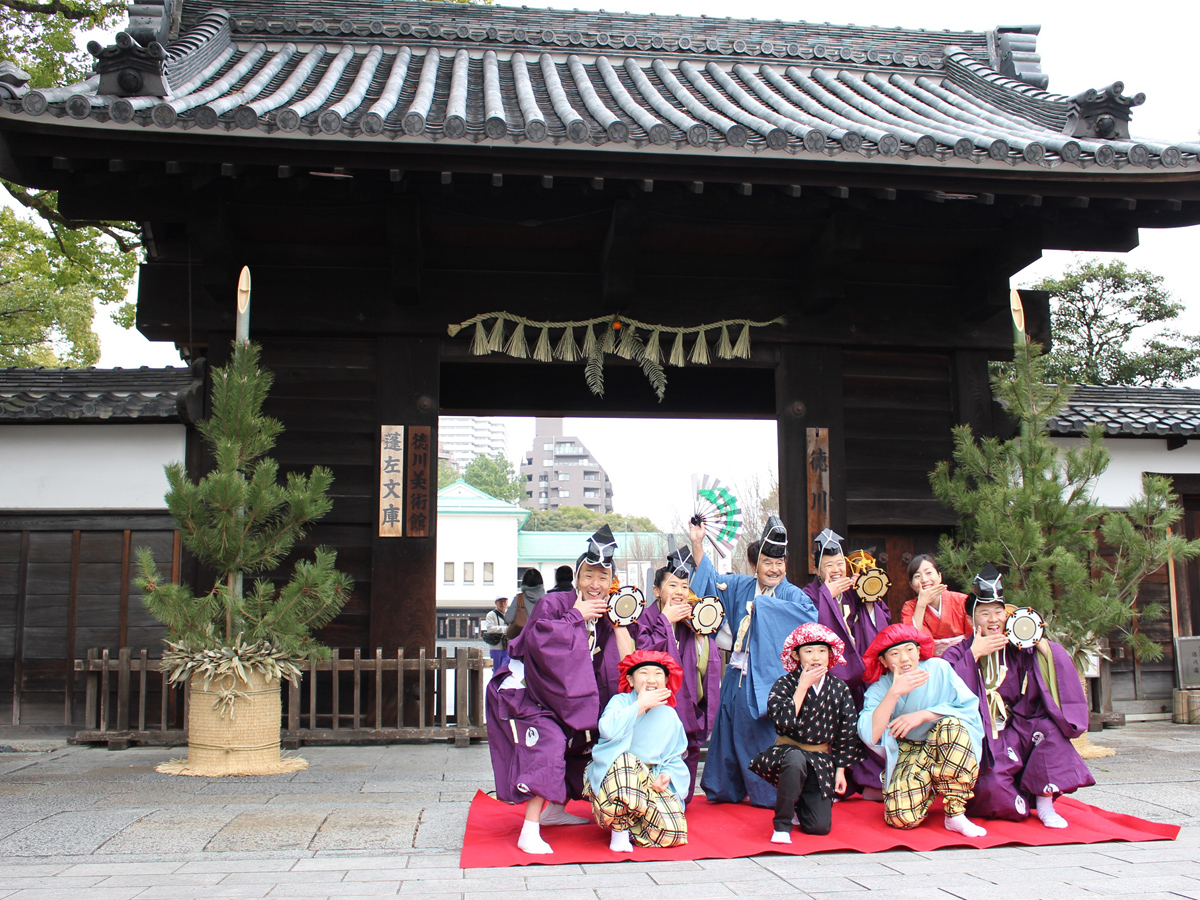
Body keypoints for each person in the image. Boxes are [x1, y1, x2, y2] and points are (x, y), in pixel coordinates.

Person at [486, 526, 618, 854]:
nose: (595, 585)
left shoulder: (605, 613)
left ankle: (554, 810)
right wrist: (575, 616)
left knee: (583, 741)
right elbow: (538, 642)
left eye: (603, 577)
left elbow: (608, 663)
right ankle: (528, 830)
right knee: (550, 743)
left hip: (563, 697)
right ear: (577, 577)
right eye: (589, 575)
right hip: (527, 692)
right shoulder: (554, 603)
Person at [943, 565, 1095, 828]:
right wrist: (973, 655)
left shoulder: (1018, 647)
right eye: (984, 613)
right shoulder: (958, 653)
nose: (993, 619)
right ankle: (1019, 798)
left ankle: (1045, 803)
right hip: (982, 735)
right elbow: (945, 690)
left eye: (998, 611)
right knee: (995, 793)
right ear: (970, 620)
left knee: (1051, 730)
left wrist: (1042, 646)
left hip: (1018, 727)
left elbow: (1049, 679)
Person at [691, 516, 818, 807]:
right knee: (727, 730)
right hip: (737, 673)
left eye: (779, 564)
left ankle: (768, 793)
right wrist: (698, 545)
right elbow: (709, 581)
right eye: (767, 563)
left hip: (770, 680)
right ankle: (725, 788)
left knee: (761, 736)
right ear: (755, 564)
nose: (774, 569)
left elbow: (809, 619)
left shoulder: (792, 595)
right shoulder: (739, 586)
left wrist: (764, 607)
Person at [859, 623, 987, 837]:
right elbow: (870, 735)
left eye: (910, 650)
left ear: (919, 651)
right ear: (883, 660)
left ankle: (955, 813)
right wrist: (894, 693)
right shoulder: (880, 688)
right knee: (901, 817)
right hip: (911, 750)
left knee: (952, 725)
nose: (904, 658)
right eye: (894, 653)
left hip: (946, 743)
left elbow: (967, 708)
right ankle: (927, 783)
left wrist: (924, 715)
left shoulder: (939, 668)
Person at [750, 623, 861, 843]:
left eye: (822, 651)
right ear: (797, 655)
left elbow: (846, 732)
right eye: (809, 651)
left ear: (830, 655)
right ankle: (782, 825)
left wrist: (840, 770)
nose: (816, 656)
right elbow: (783, 722)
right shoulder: (784, 684)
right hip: (787, 753)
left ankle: (800, 803)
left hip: (820, 758)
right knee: (795, 758)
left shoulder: (839, 688)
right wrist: (802, 687)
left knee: (819, 827)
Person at [802, 528, 889, 798]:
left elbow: (877, 622)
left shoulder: (854, 593)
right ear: (818, 570)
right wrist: (827, 596)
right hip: (827, 676)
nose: (836, 570)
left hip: (859, 675)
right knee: (828, 729)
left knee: (863, 725)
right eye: (828, 565)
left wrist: (869, 596)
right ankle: (828, 783)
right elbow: (810, 628)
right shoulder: (809, 593)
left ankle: (869, 781)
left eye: (840, 564)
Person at [584, 650, 690, 851]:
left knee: (673, 834)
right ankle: (619, 830)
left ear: (666, 680)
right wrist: (639, 706)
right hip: (618, 776)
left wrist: (667, 775)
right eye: (644, 673)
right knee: (625, 760)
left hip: (650, 780)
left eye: (658, 674)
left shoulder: (669, 714)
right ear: (631, 680)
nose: (651, 679)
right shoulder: (620, 702)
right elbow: (607, 730)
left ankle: (635, 827)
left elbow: (675, 756)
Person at [650, 539, 719, 803]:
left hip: (686, 704)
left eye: (684, 586)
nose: (680, 591)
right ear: (657, 591)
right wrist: (664, 622)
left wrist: (700, 635)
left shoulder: (691, 622)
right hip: (656, 706)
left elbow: (705, 663)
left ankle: (679, 798)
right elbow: (642, 656)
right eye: (673, 585)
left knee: (687, 753)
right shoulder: (646, 619)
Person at [901, 554, 972, 655]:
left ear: (939, 577)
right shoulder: (910, 607)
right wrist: (921, 604)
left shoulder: (961, 600)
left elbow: (973, 635)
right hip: (930, 662)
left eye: (929, 573)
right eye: (917, 576)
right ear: (911, 585)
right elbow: (912, 640)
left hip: (963, 657)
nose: (924, 580)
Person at [504, 568, 546, 640]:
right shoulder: (547, 599)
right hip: (542, 639)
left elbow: (508, 618)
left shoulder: (519, 598)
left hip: (523, 640)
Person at [483, 596, 510, 670]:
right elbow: (490, 629)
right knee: (497, 670)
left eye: (505, 602)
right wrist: (506, 629)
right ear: (496, 603)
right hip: (496, 647)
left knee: (506, 670)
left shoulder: (510, 614)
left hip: (508, 647)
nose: (503, 604)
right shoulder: (491, 615)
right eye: (500, 602)